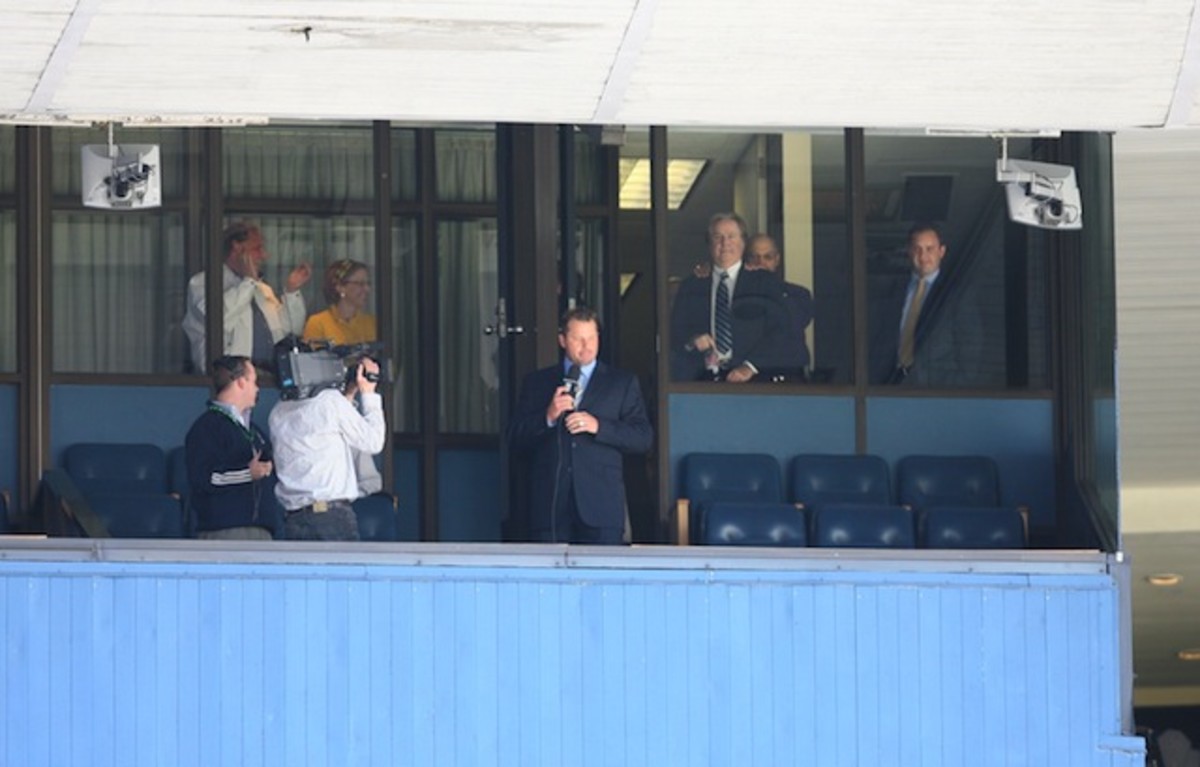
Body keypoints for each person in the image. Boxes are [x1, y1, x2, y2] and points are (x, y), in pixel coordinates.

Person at [508, 307, 653, 544]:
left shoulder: (621, 383)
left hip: (601, 507)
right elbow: (515, 437)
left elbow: (642, 437)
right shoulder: (537, 382)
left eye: (591, 338)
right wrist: (548, 416)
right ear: (562, 340)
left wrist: (599, 427)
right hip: (551, 508)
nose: (586, 346)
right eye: (578, 339)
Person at [669, 212, 802, 382]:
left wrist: (750, 366)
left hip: (755, 380)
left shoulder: (764, 283)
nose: (725, 243)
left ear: (743, 243)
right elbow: (675, 332)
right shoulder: (691, 286)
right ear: (709, 243)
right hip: (703, 381)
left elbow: (782, 330)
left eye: (731, 236)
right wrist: (692, 340)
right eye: (718, 237)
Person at [269, 356, 385, 541]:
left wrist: (348, 395)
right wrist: (369, 391)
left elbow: (324, 429)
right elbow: (373, 441)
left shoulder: (278, 412)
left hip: (294, 518)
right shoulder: (330, 401)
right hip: (332, 517)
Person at [183, 220, 312, 375]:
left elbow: (290, 330)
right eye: (257, 249)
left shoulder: (261, 289)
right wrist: (249, 281)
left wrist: (291, 291)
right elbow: (218, 320)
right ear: (237, 248)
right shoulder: (204, 283)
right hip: (229, 379)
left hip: (268, 378)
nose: (264, 255)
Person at [870, 222, 983, 385]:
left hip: (936, 387)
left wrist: (958, 385)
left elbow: (970, 344)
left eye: (929, 249)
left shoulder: (956, 294)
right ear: (909, 251)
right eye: (917, 249)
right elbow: (879, 338)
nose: (923, 257)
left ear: (941, 251)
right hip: (893, 383)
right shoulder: (895, 290)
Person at [184, 356, 276, 540]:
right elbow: (204, 478)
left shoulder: (254, 430)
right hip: (225, 529)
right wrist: (247, 473)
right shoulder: (207, 427)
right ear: (241, 382)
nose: (257, 388)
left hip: (262, 529)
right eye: (254, 382)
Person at [744, 233, 814, 371]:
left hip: (788, 372)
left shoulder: (798, 294)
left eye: (767, 257)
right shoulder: (738, 294)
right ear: (746, 260)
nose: (761, 263)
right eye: (754, 257)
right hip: (744, 372)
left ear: (777, 259)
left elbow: (792, 325)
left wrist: (768, 282)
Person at [302, 258, 377, 346]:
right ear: (340, 287)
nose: (367, 289)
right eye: (360, 283)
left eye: (368, 283)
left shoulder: (372, 323)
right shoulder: (318, 323)